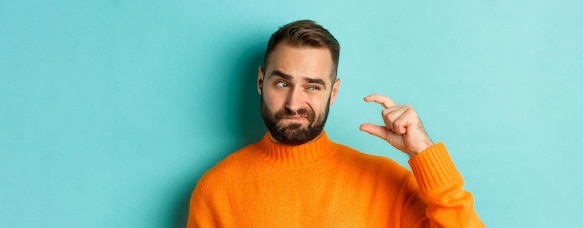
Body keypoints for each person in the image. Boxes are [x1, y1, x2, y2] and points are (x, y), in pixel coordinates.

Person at [187, 19, 484, 227]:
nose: (294, 102)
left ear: (334, 92)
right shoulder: (217, 190)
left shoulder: (387, 184)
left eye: (313, 87)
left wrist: (425, 154)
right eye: (282, 83)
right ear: (261, 81)